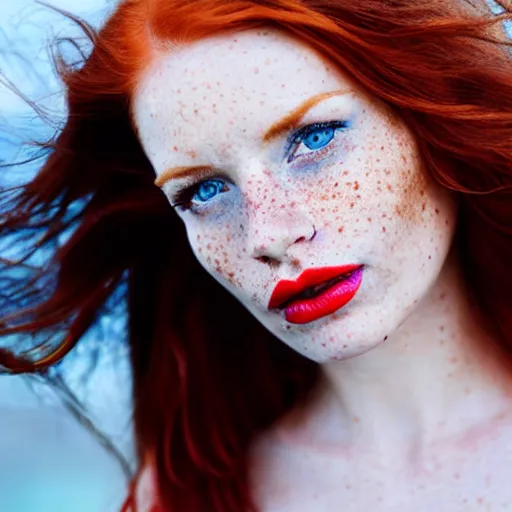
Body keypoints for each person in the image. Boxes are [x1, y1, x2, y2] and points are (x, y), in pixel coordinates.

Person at [1, 0, 512, 510]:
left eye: (314, 138)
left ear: (429, 116)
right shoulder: (190, 496)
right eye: (203, 192)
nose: (266, 234)